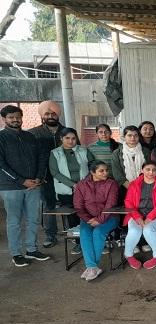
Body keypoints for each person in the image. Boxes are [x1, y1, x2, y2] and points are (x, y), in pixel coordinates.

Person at [0, 105, 50, 267]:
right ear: (4, 119)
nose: (15, 120)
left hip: (34, 185)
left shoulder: (30, 137)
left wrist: (39, 178)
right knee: (14, 221)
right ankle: (16, 253)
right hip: (11, 187)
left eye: (17, 117)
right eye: (11, 117)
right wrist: (21, 180)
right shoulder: (2, 138)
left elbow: (41, 157)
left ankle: (31, 249)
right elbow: (1, 164)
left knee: (33, 219)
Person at [49, 127, 96, 254]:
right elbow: (54, 172)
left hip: (85, 188)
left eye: (73, 138)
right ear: (61, 139)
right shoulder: (55, 153)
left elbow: (93, 166)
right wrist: (72, 185)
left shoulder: (83, 150)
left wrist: (82, 183)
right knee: (73, 217)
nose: (71, 141)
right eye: (67, 138)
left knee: (88, 213)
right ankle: (78, 243)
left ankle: (91, 239)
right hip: (66, 190)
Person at [73, 161, 119, 281]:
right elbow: (78, 206)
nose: (105, 173)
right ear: (92, 172)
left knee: (98, 232)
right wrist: (89, 220)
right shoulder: (81, 185)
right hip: (88, 219)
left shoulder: (111, 184)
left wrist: (99, 220)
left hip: (110, 217)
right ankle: (92, 267)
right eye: (101, 171)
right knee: (85, 233)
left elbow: (111, 204)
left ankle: (91, 267)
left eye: (106, 170)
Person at [29, 100, 65, 248]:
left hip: (66, 176)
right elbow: (30, 157)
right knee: (49, 206)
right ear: (42, 116)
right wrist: (37, 176)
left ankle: (72, 234)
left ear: (58, 115)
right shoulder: (33, 133)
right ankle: (51, 235)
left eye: (53, 113)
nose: (50, 116)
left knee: (68, 204)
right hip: (45, 177)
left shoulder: (67, 131)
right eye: (47, 114)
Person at [123, 161, 156, 270]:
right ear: (142, 170)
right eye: (148, 169)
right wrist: (137, 217)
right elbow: (128, 202)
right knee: (134, 230)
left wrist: (150, 217)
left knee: (148, 230)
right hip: (136, 214)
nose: (151, 172)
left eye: (154, 170)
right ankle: (128, 255)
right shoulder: (134, 184)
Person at [112, 125, 151, 194]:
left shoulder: (146, 151)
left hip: (145, 187)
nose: (133, 138)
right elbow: (117, 173)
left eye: (136, 135)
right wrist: (131, 187)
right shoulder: (117, 153)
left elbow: (150, 168)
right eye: (129, 135)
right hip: (125, 189)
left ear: (139, 137)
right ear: (124, 137)